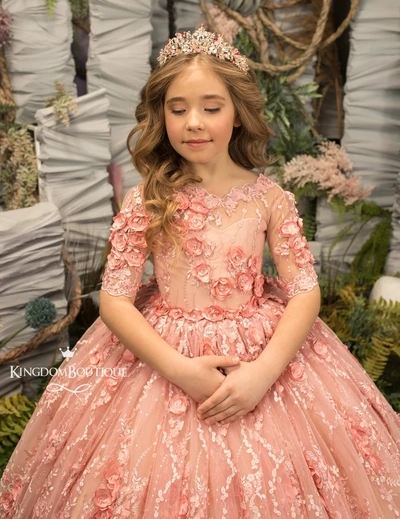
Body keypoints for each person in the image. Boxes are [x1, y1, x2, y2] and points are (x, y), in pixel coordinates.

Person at [0, 26, 399, 519]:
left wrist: (263, 373)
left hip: (259, 355)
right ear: (160, 113)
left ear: (237, 115)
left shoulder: (268, 198)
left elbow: (305, 293)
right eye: (177, 108)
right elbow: (115, 299)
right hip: (165, 358)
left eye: (211, 108)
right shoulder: (147, 198)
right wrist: (179, 369)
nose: (194, 122)